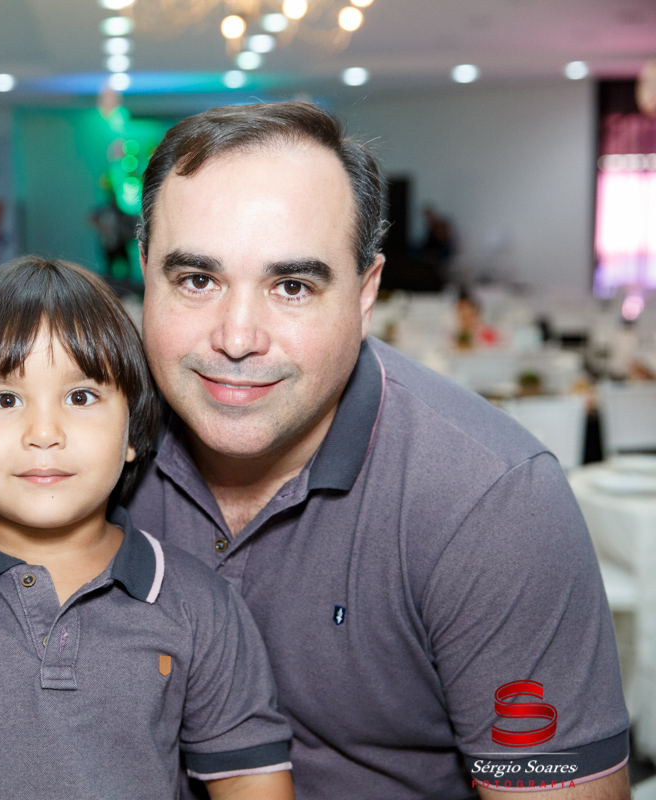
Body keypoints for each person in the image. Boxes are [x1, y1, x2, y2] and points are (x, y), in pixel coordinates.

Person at [126, 102, 630, 800]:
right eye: (197, 280)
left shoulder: (491, 504)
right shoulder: (75, 452)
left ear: (366, 294)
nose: (237, 337)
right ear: (144, 274)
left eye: (292, 286)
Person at [0, 257, 295, 800]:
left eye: (81, 397)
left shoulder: (200, 606)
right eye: (5, 400)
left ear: (132, 431)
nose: (44, 432)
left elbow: (249, 781)